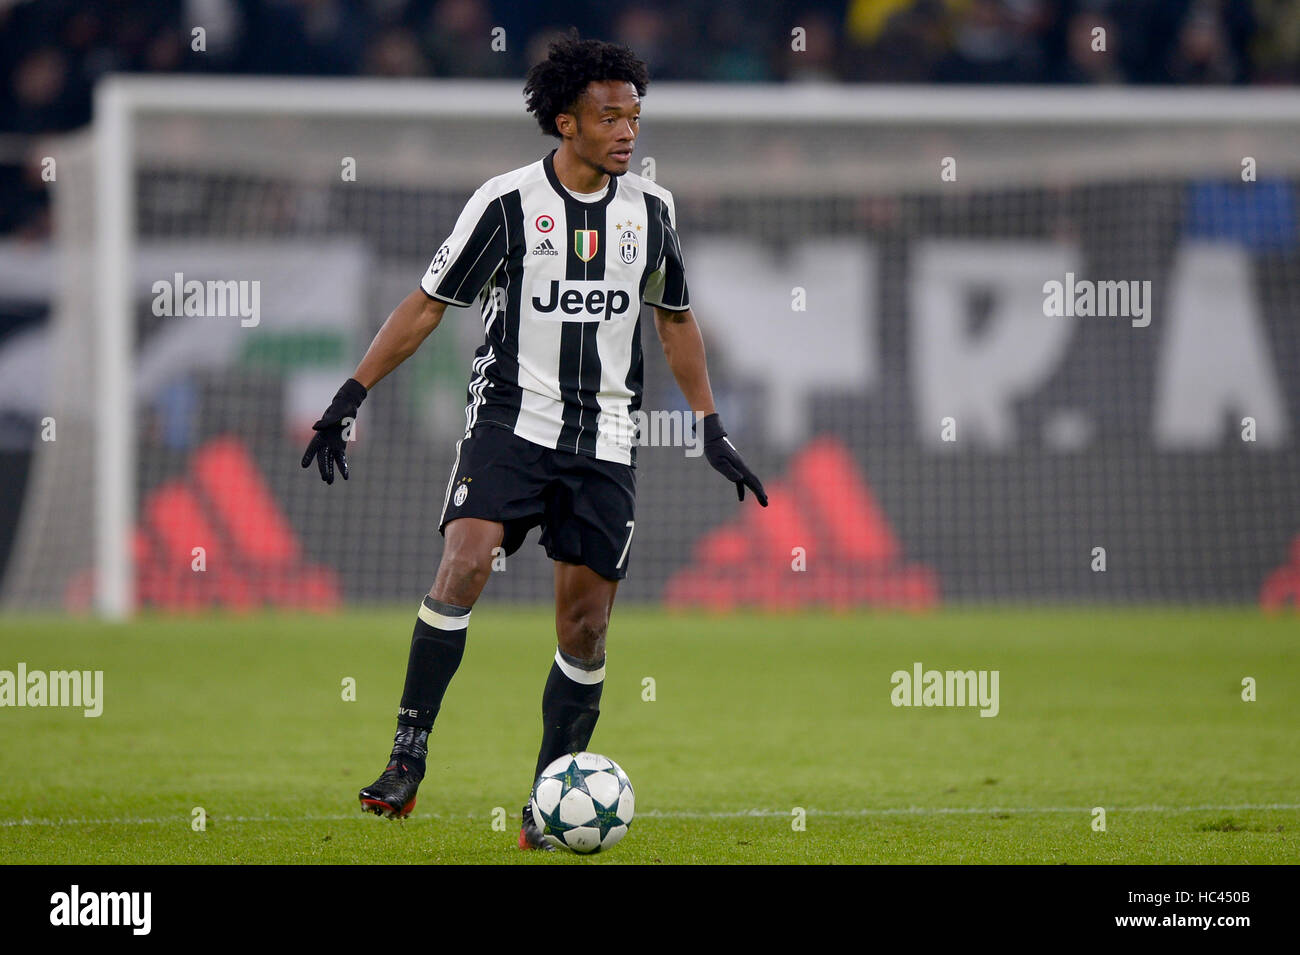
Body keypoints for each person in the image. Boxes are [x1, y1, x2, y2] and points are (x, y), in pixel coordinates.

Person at [301, 31, 767, 850]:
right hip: (509, 423)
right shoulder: (506, 204)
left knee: (585, 627)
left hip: (607, 439)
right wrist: (351, 393)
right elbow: (427, 303)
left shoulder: (651, 213)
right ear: (565, 122)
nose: (628, 131)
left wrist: (709, 424)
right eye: (610, 117)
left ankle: (548, 801)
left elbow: (677, 317)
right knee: (468, 559)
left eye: (635, 116)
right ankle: (407, 755)